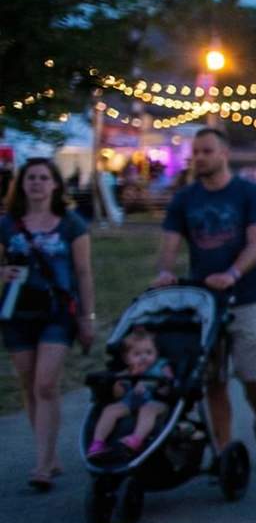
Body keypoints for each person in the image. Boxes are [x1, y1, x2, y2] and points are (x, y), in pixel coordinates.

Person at [155, 127, 256, 464]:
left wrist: (233, 273)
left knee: (251, 373)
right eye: (196, 152)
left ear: (224, 154)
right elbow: (169, 242)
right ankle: (224, 450)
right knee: (212, 376)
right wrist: (164, 272)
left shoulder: (250, 193)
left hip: (246, 295)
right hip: (203, 299)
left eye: (207, 151)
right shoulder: (185, 198)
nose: (199, 158)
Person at [3, 158, 96, 491]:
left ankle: (42, 465)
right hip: (16, 313)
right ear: (22, 184)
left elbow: (84, 273)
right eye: (31, 178)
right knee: (29, 384)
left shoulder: (71, 224)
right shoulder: (8, 224)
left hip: (58, 313)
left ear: (56, 184)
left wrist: (88, 317)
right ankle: (49, 454)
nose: (37, 183)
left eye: (44, 177)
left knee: (45, 384)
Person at [88, 329, 174, 460]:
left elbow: (170, 384)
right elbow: (118, 395)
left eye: (149, 352)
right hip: (130, 403)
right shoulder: (126, 372)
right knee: (110, 410)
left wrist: (165, 385)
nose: (144, 357)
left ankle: (136, 439)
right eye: (137, 354)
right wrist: (121, 383)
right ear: (127, 359)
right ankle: (98, 443)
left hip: (156, 402)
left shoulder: (161, 366)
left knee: (148, 410)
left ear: (156, 353)